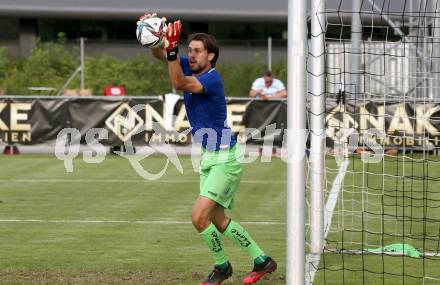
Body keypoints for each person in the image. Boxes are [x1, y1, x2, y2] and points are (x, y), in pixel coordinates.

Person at [140, 12, 277, 285]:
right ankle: (262, 260)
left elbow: (178, 83)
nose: (191, 55)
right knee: (218, 220)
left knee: (198, 217)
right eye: (188, 50)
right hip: (209, 156)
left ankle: (222, 267)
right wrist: (157, 39)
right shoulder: (189, 67)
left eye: (197, 51)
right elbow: (161, 58)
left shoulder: (212, 79)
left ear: (210, 56)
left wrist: (170, 50)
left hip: (225, 157)